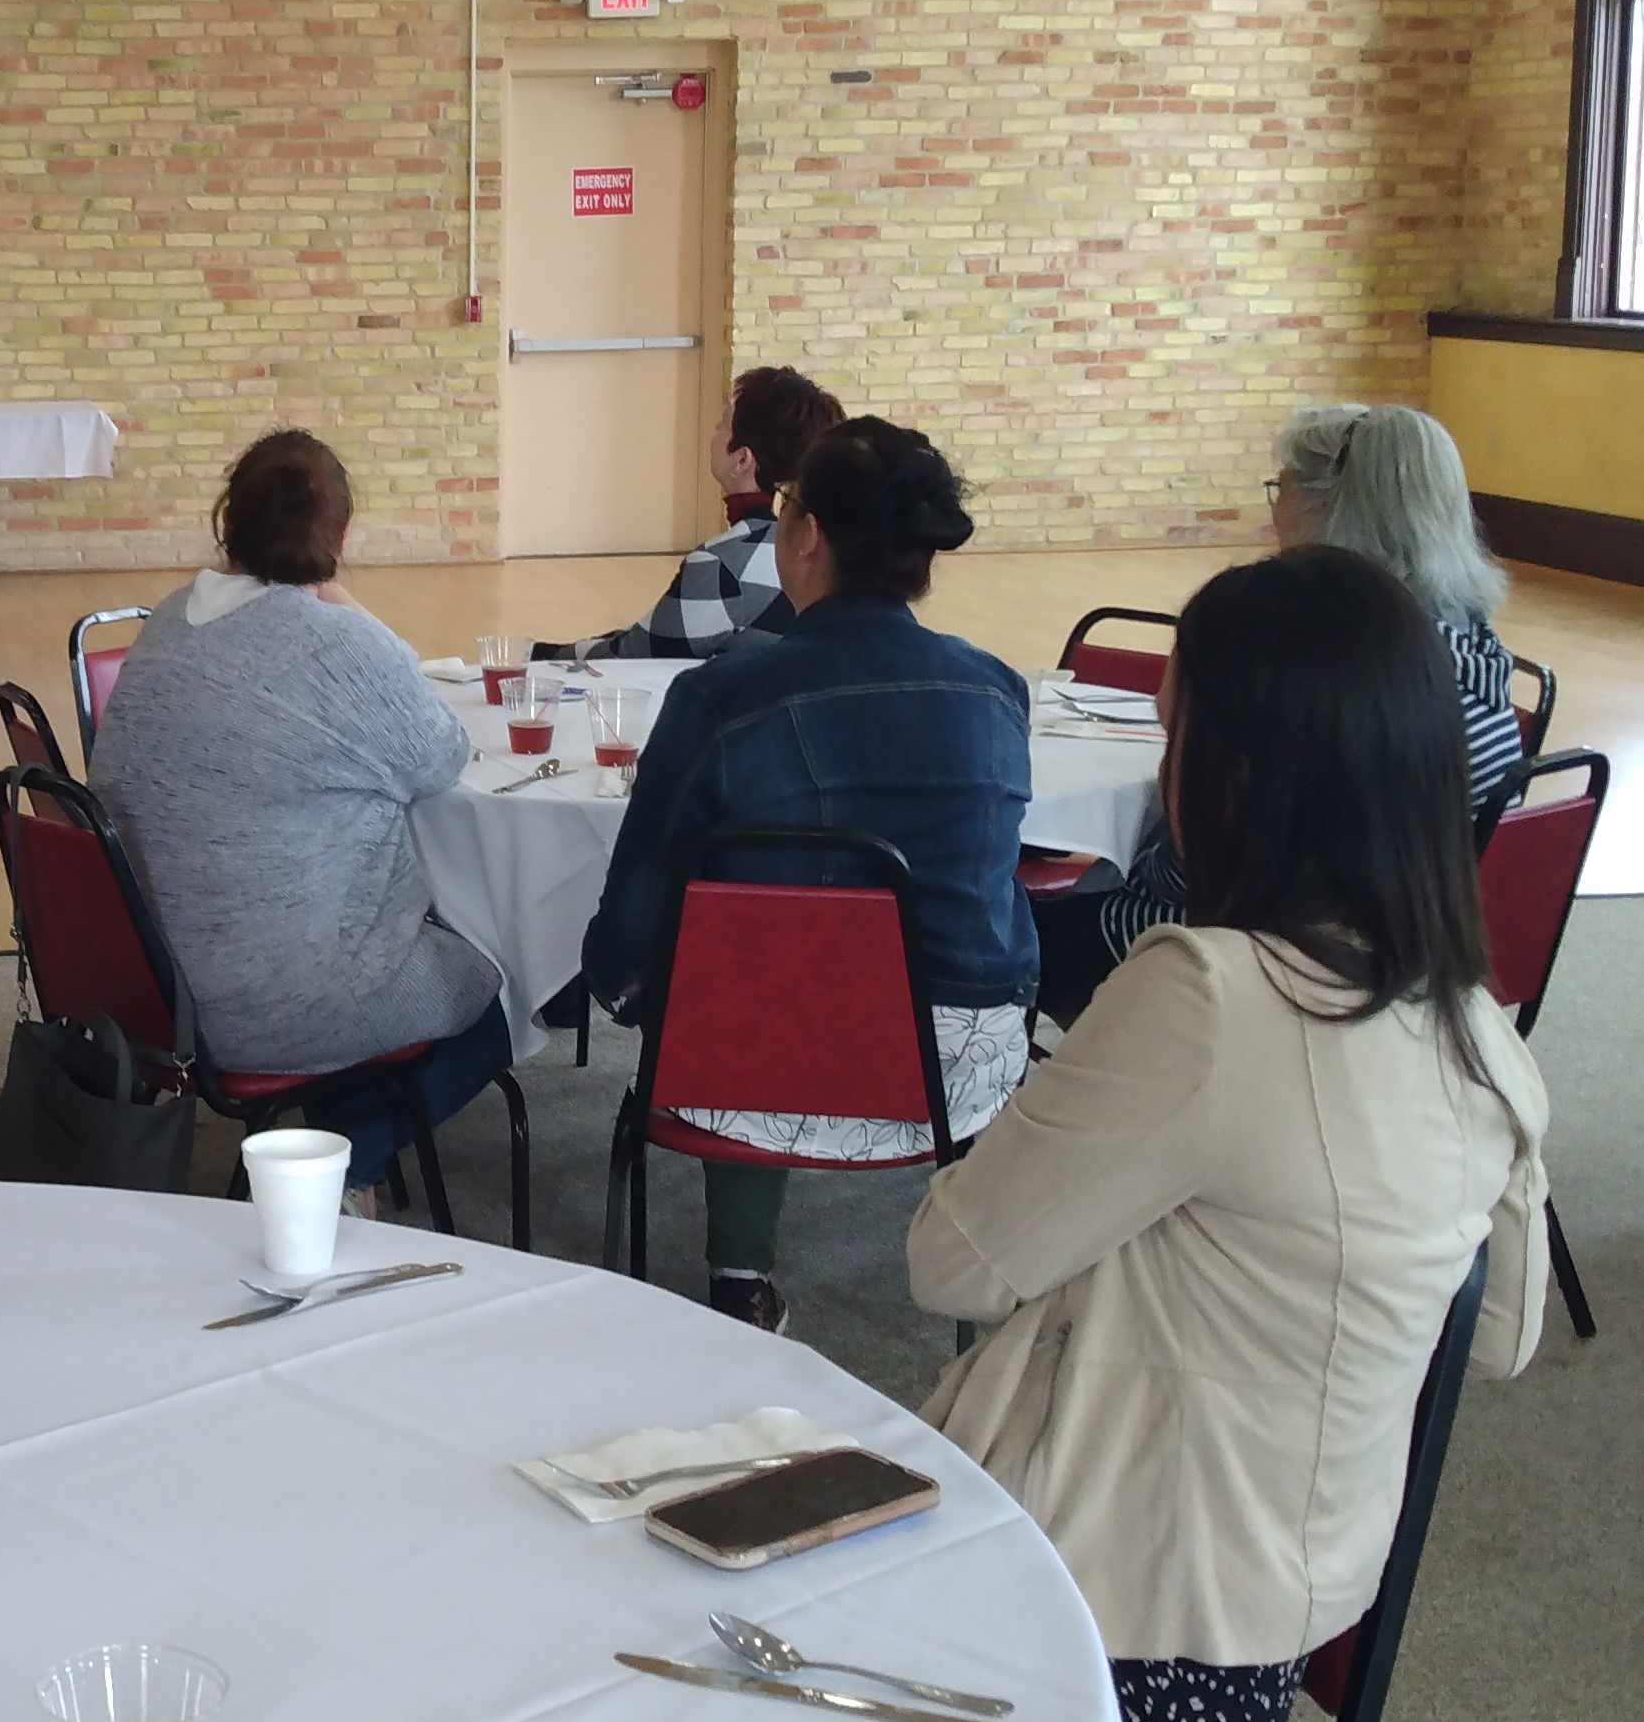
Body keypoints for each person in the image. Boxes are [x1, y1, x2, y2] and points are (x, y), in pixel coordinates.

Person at [908, 546, 1548, 1722]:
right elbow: (1500, 1328)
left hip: (1100, 1631)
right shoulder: (1479, 1035)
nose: (1160, 773)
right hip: (1275, 1623)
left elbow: (951, 1259)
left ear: (1240, 772)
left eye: (1172, 734)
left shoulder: (1205, 998)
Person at [582, 417, 1038, 1331]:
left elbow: (635, 921)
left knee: (745, 972)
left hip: (754, 1071)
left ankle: (738, 1279)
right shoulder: (996, 689)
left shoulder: (719, 697)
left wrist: (621, 988)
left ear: (805, 535)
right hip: (954, 1070)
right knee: (783, 968)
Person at [87, 430, 509, 1207]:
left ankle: (326, 1136)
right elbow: (442, 757)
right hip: (274, 1005)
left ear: (227, 525)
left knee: (374, 948)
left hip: (152, 989)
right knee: (507, 980)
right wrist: (349, 608)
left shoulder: (173, 619)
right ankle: (338, 1163)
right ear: (341, 536)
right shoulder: (342, 643)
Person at [1034, 401, 1524, 1023]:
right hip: (1407, 952)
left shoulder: (1333, 669)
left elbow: (1216, 852)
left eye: (1281, 486)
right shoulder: (1470, 646)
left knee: (1002, 933)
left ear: (1330, 505)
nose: (1273, 508)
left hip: (1256, 954)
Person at [532, 366, 844, 662]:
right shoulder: (827, 548)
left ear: (741, 460)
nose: (714, 432)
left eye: (723, 424)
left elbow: (634, 655)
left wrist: (536, 654)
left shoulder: (725, 565)